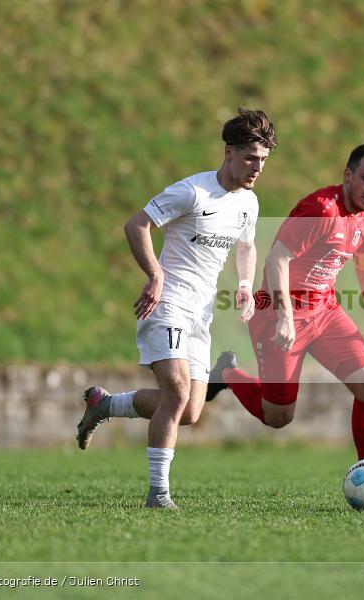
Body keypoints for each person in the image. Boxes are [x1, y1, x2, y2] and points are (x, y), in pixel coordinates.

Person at [75, 108, 278, 509]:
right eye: (251, 157)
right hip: (167, 303)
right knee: (178, 392)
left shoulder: (249, 204)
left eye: (264, 160)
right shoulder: (192, 191)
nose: (257, 168)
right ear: (229, 152)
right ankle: (158, 494)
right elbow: (136, 225)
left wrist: (243, 285)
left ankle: (105, 405)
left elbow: (248, 246)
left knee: (188, 411)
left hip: (200, 313)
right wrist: (155, 275)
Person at [206, 143, 364, 462]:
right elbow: (276, 261)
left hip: (325, 312)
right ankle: (226, 374)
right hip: (276, 314)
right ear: (348, 175)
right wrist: (285, 317)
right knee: (278, 416)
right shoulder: (322, 210)